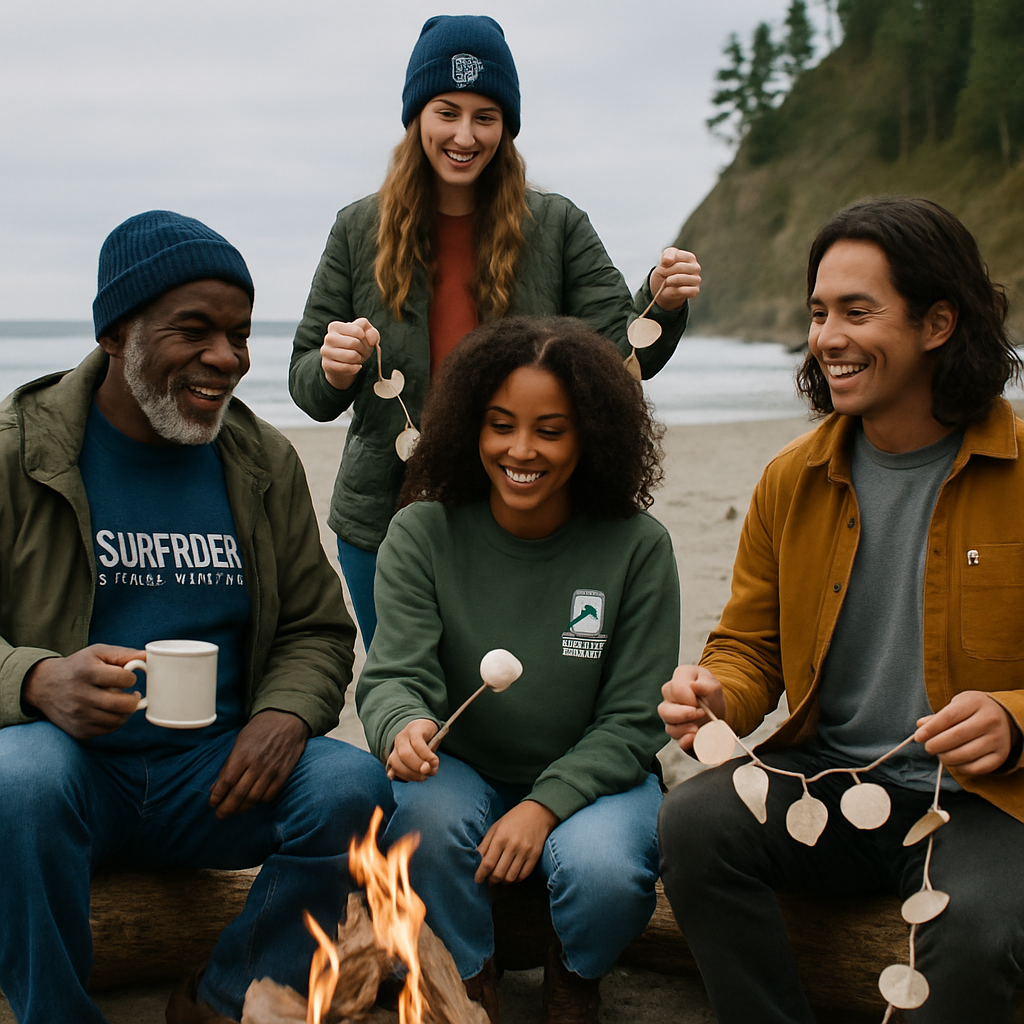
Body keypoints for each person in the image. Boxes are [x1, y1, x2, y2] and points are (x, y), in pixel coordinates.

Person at [0, 211, 394, 1024]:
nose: (228, 359)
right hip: (76, 772)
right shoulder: (18, 451)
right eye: (196, 330)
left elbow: (318, 628)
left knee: (354, 785)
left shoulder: (259, 459)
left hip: (217, 778)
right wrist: (36, 680)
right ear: (117, 331)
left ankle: (221, 996)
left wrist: (285, 713)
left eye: (242, 335)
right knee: (19, 779)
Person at [657, 196, 1024, 1023]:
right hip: (832, 779)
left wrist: (1013, 719)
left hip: (987, 800)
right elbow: (749, 645)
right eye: (819, 313)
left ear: (938, 323)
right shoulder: (791, 479)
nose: (827, 337)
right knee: (695, 822)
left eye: (858, 312)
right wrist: (716, 691)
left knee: (967, 934)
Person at [289, 14, 701, 646]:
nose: (464, 134)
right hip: (382, 514)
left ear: (506, 125)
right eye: (446, 112)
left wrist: (660, 301)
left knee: (506, 702)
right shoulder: (356, 229)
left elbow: (617, 358)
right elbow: (306, 383)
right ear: (415, 118)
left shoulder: (558, 225)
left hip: (524, 504)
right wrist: (331, 365)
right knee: (406, 698)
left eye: (485, 116)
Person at [356, 316, 681, 1024]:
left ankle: (575, 978)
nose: (521, 450)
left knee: (603, 870)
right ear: (471, 427)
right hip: (464, 766)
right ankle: (470, 978)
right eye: (500, 424)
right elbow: (391, 675)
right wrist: (402, 725)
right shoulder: (422, 530)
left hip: (599, 781)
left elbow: (634, 721)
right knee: (419, 821)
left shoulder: (638, 547)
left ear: (590, 434)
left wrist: (545, 804)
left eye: (550, 430)